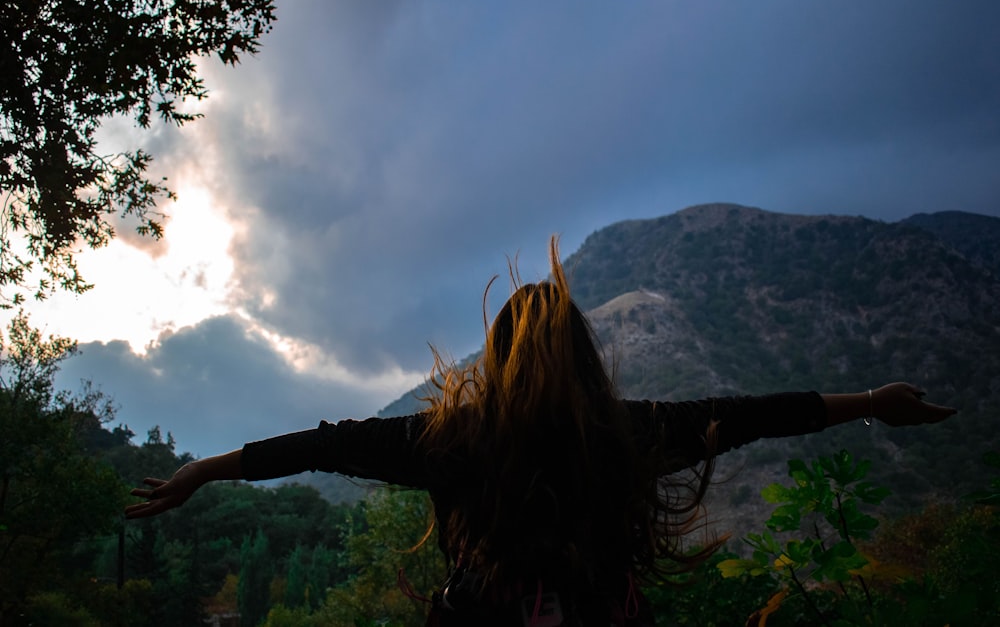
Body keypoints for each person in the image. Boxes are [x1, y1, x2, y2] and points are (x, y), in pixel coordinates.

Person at [126, 238, 956, 626]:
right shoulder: (627, 433)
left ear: (496, 357)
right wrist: (873, 399)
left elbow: (325, 443)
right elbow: (756, 412)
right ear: (584, 356)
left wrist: (203, 469)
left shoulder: (450, 439)